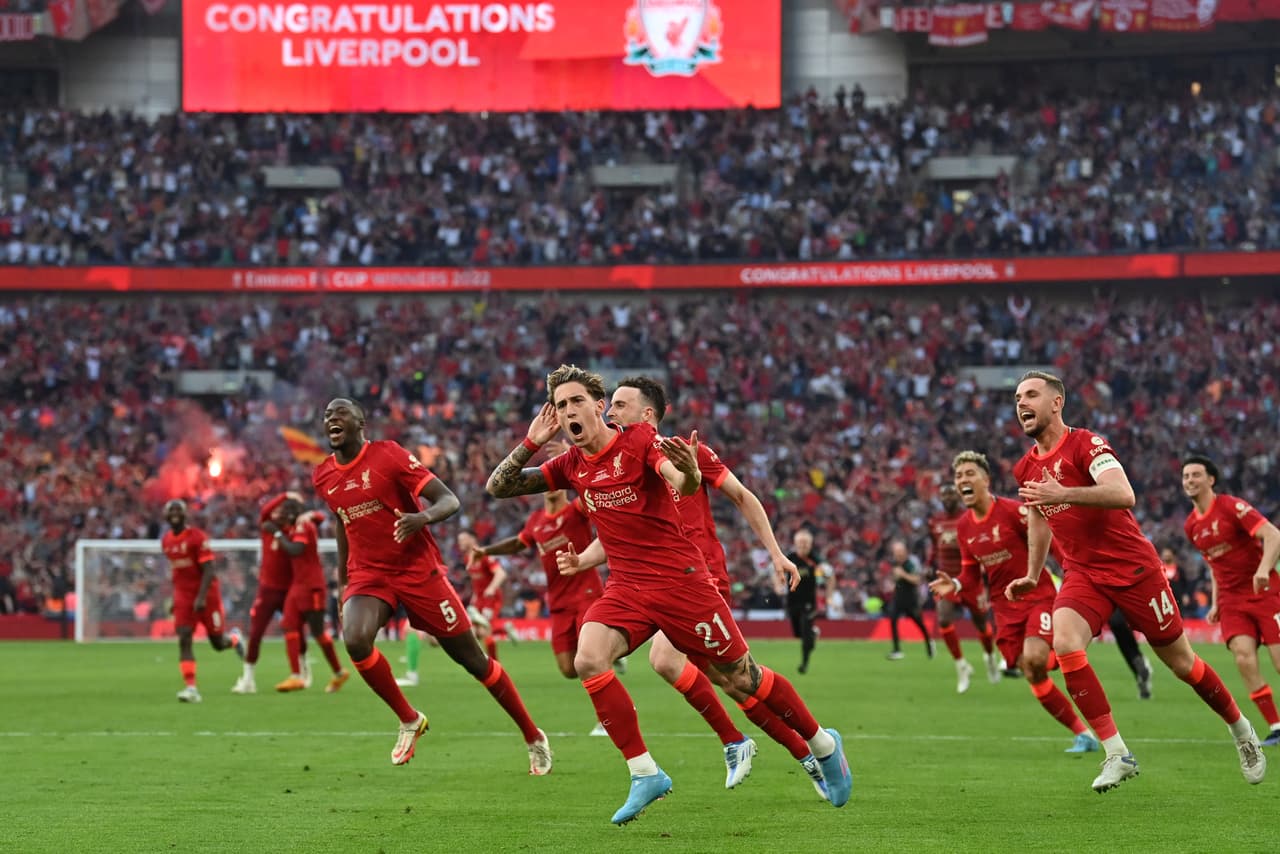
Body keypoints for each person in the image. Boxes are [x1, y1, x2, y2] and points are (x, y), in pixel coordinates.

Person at [486, 365, 852, 824]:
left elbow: (684, 484)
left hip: (683, 583)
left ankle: (821, 745)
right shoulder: (571, 465)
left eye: (577, 401)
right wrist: (531, 442)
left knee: (743, 680)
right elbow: (498, 488)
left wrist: (691, 473)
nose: (568, 411)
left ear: (600, 408)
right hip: (627, 588)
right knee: (589, 658)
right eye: (561, 405)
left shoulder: (644, 443)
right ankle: (646, 773)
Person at [565, 376, 829, 799]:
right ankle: (790, 750)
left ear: (646, 414)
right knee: (729, 682)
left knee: (680, 664)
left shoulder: (685, 453)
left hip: (699, 578)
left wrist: (777, 553)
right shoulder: (621, 464)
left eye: (618, 405)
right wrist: (582, 560)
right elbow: (616, 535)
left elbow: (742, 496)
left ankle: (782, 746)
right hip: (653, 586)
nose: (608, 412)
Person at [1005, 371, 1265, 792]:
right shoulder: (1026, 466)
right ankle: (1116, 752)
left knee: (1183, 664)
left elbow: (1124, 493)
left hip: (1134, 570)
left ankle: (1241, 731)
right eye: (1017, 397)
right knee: (1066, 644)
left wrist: (1063, 493)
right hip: (1083, 573)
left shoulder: (1086, 444)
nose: (1022, 403)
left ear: (1057, 403)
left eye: (1031, 394)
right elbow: (1038, 515)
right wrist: (1032, 574)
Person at [314, 397, 551, 771]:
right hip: (369, 574)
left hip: (417, 571)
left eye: (339, 412)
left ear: (360, 423)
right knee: (356, 640)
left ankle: (532, 734)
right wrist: (344, 581)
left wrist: (420, 518)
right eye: (327, 415)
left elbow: (448, 500)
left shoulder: (388, 455)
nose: (331, 419)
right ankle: (409, 719)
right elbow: (342, 523)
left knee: (474, 661)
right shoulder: (323, 475)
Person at [929, 451, 1100, 753]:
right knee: (1032, 672)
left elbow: (1050, 541)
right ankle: (1082, 734)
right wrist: (954, 583)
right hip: (1004, 608)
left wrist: (1073, 570)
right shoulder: (964, 527)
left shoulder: (1012, 511)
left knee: (1035, 659)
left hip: (1037, 597)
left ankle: (1066, 646)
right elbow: (970, 574)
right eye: (958, 476)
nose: (962, 480)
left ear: (986, 480)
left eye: (969, 473)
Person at [1182, 454, 1280, 747]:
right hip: (1232, 601)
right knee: (1243, 657)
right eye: (1186, 476)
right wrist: (1215, 602)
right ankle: (1276, 726)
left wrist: (1263, 570)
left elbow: (1273, 535)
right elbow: (1215, 564)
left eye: (1196, 475)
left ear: (1211, 480)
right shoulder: (1191, 526)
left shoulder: (1231, 506)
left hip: (1264, 592)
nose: (1190, 481)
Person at [160, 499, 245, 702]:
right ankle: (191, 688)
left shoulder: (197, 537)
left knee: (217, 642)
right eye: (171, 510)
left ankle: (234, 639)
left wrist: (200, 597)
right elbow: (177, 572)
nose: (174, 513)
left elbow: (209, 570)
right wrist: (175, 597)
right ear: (165, 516)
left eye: (178, 510)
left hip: (207, 595)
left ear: (185, 514)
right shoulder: (166, 541)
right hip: (183, 596)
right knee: (184, 638)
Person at [272, 498, 351, 694]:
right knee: (289, 626)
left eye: (286, 511)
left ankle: (339, 671)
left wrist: (276, 534)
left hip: (311, 585)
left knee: (317, 632)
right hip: (297, 585)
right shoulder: (296, 525)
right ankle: (296, 675)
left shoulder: (303, 525)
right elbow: (319, 516)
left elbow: (296, 549)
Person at [930, 483, 1000, 691]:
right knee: (943, 619)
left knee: (981, 624)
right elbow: (934, 549)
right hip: (947, 580)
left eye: (952, 495)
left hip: (970, 579)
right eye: (944, 495)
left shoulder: (969, 517)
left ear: (959, 496)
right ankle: (961, 666)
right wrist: (929, 566)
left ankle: (989, 656)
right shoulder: (935, 521)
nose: (948, 499)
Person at [232, 491, 295, 694]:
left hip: (288, 590)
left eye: (282, 511)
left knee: (295, 632)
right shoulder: (267, 527)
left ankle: (301, 673)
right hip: (267, 590)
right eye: (276, 511)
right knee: (256, 633)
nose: (277, 514)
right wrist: (284, 495)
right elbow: (265, 511)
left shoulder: (292, 531)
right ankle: (248, 679)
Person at [459, 529, 507, 660]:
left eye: (463, 539)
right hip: (479, 599)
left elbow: (501, 573)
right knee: (475, 632)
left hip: (491, 599)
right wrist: (475, 596)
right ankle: (505, 629)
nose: (460, 542)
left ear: (472, 539)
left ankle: (495, 665)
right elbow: (476, 581)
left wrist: (491, 588)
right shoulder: (467, 558)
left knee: (485, 631)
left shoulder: (484, 555)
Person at [786, 528, 828, 676]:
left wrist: (828, 595)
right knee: (799, 634)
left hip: (809, 602)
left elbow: (829, 573)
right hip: (792, 601)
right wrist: (777, 583)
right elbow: (776, 569)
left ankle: (804, 664)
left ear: (810, 544)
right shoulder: (789, 557)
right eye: (800, 543)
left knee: (804, 630)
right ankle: (813, 634)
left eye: (806, 543)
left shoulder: (816, 559)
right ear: (795, 543)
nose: (803, 546)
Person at [886, 540, 933, 661]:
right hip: (898, 598)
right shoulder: (895, 563)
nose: (897, 554)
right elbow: (895, 578)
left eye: (899, 551)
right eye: (895, 552)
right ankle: (897, 650)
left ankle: (929, 643)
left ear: (904, 551)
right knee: (893, 619)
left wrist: (903, 575)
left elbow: (917, 580)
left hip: (911, 599)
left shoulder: (910, 563)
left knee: (919, 623)